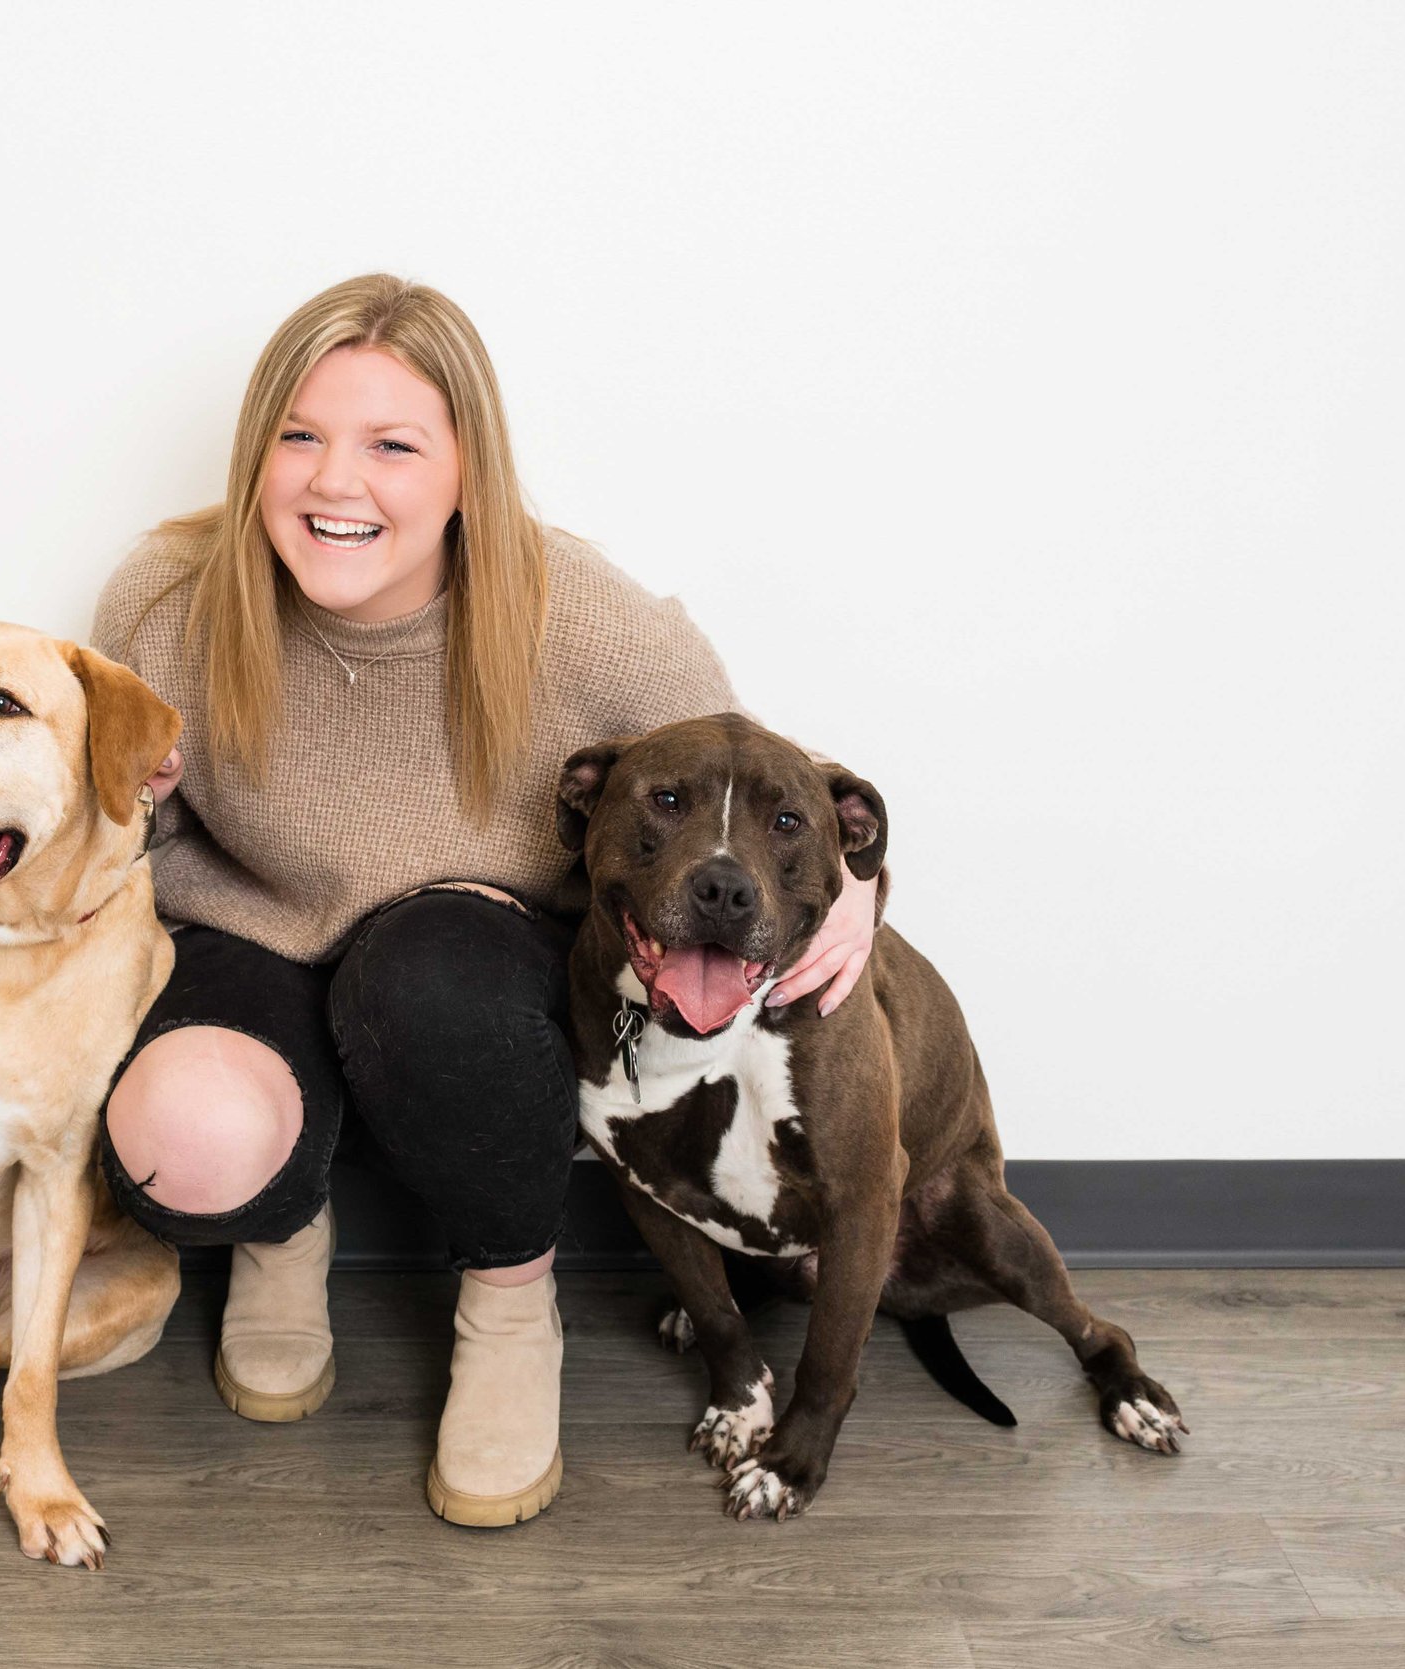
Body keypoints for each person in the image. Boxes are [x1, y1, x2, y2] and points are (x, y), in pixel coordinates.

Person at [90, 273, 877, 1526]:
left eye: (390, 445)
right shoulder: (167, 604)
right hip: (256, 932)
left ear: (467, 466)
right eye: (299, 437)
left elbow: (754, 785)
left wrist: (860, 894)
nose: (334, 483)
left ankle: (511, 1303)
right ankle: (281, 1235)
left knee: (431, 978)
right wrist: (125, 800)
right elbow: (122, 847)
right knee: (182, 1128)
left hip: (461, 957)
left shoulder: (584, 618)